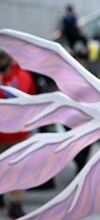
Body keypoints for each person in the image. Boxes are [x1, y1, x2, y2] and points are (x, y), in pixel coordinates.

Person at [0, 51, 36, 218]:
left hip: (19, 134)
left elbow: (31, 99)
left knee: (18, 170)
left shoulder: (23, 76)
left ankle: (15, 204)